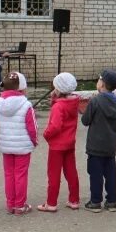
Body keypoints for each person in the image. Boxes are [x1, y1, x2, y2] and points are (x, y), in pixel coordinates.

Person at [0, 72, 37, 214]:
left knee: (9, 174)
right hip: (23, 146)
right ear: (22, 88)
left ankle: (10, 204)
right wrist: (34, 141)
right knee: (20, 175)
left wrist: (2, 138)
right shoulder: (26, 104)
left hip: (6, 146)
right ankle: (20, 205)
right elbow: (32, 126)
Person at [37, 72, 81, 213]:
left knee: (54, 174)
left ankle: (51, 203)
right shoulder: (73, 102)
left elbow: (55, 126)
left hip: (56, 145)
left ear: (58, 89)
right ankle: (74, 200)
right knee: (71, 172)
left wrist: (46, 134)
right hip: (69, 143)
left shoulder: (58, 106)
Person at [81, 70, 116, 213]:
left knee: (95, 174)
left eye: (99, 79)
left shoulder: (95, 100)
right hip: (110, 144)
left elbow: (85, 121)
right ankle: (111, 201)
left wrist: (87, 108)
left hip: (95, 145)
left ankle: (95, 201)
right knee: (110, 173)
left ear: (103, 83)